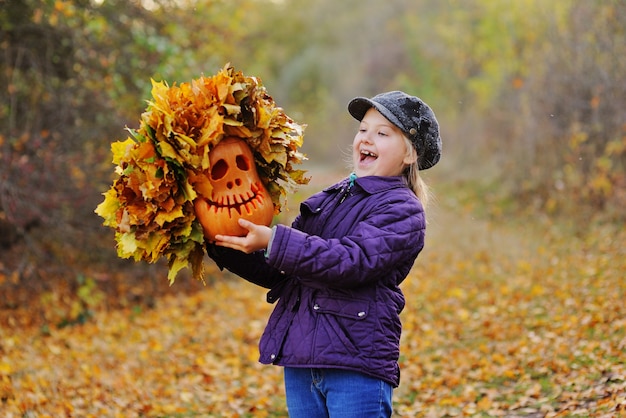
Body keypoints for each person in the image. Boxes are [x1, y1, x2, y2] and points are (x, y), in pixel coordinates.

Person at [200, 90, 442, 417]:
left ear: (409, 155)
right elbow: (283, 270)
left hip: (354, 363)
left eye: (382, 133)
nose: (366, 139)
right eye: (363, 130)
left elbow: (350, 261)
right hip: (302, 359)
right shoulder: (332, 199)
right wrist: (222, 241)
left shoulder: (403, 209)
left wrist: (274, 241)